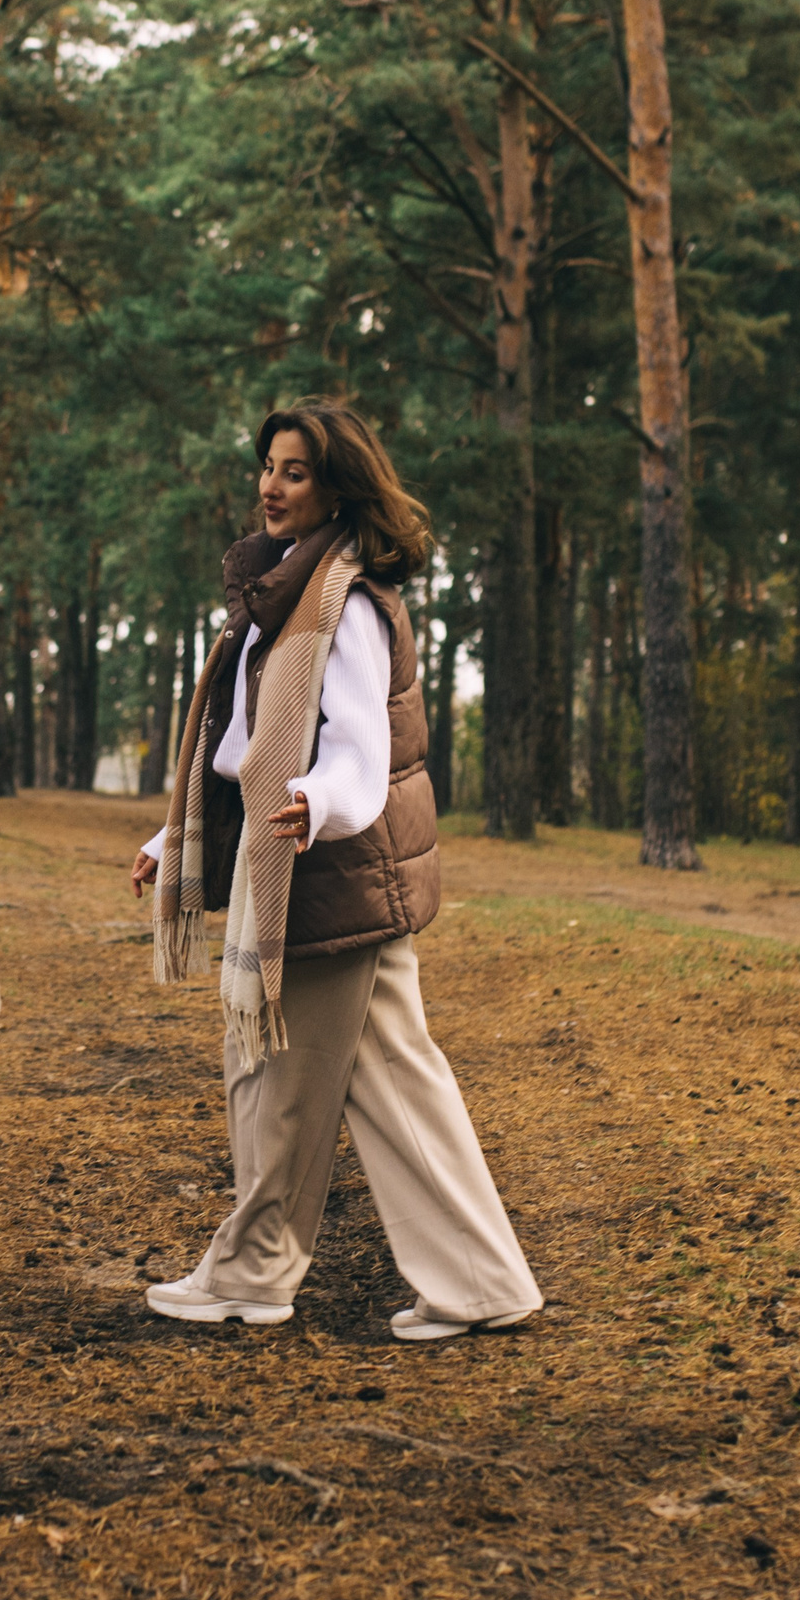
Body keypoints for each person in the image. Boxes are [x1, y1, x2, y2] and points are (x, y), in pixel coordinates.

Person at [131, 398, 543, 1343]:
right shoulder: (275, 601)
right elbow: (236, 747)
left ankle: (253, 1273)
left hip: (327, 865)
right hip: (295, 858)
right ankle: (481, 1285)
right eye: (268, 467)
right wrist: (172, 843)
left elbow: (359, 749)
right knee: (391, 1080)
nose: (272, 487)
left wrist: (318, 801)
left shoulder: (346, 607)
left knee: (279, 1081)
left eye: (296, 472)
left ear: (336, 488)